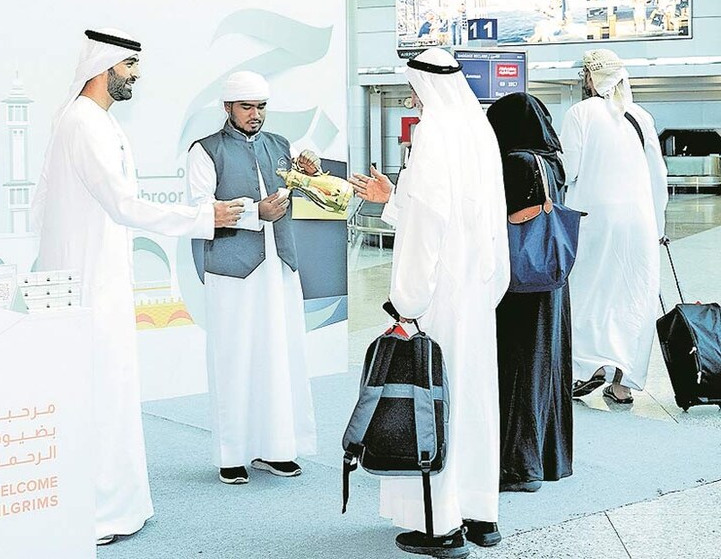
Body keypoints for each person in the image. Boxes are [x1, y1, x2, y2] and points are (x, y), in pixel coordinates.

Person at [31, 29, 244, 546]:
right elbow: (124, 204)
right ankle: (100, 512)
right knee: (102, 391)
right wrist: (201, 216)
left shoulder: (92, 121)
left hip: (99, 278)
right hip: (88, 284)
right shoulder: (84, 123)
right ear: (104, 65)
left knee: (115, 388)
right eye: (130, 65)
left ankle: (122, 503)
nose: (136, 75)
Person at [349, 48, 509, 558]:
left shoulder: (432, 133)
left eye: (413, 87)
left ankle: (441, 526)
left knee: (433, 403)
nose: (412, 96)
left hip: (439, 298)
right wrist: (391, 197)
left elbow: (426, 228)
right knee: (474, 401)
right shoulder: (480, 130)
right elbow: (472, 216)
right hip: (478, 293)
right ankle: (480, 514)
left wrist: (406, 302)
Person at [186, 71, 320, 486]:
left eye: (261, 107)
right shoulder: (205, 151)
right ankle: (232, 455)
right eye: (247, 107)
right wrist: (253, 214)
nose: (255, 115)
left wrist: (311, 170)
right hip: (232, 271)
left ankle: (277, 449)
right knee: (234, 356)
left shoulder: (281, 146)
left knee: (280, 355)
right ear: (228, 108)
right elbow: (198, 211)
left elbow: (310, 185)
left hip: (278, 267)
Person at [561, 49, 668, 405]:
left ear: (591, 78)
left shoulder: (580, 113)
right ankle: (621, 384)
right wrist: (658, 224)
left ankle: (585, 371)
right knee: (633, 297)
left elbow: (569, 169)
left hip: (593, 220)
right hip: (639, 223)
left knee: (588, 293)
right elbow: (657, 174)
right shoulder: (641, 116)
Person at [485, 92, 574, 493]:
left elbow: (512, 217)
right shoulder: (552, 160)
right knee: (544, 365)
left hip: (520, 279)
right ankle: (545, 457)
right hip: (548, 277)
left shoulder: (515, 162)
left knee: (518, 366)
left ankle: (519, 467)